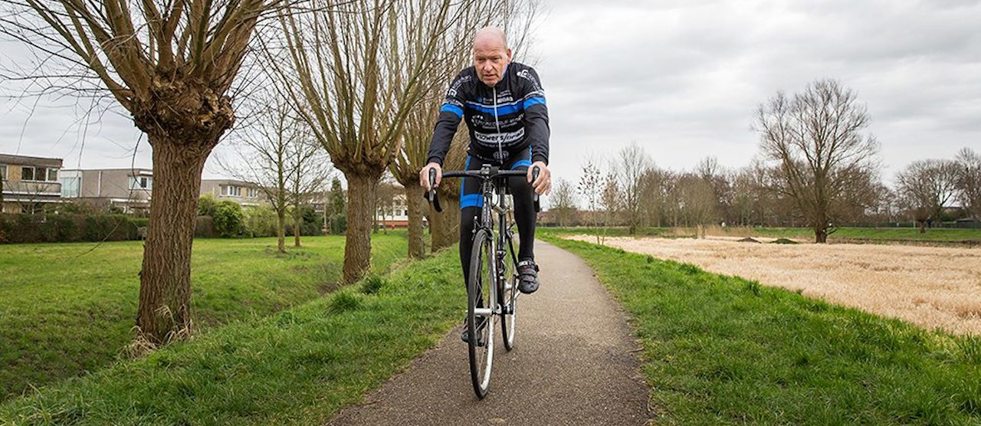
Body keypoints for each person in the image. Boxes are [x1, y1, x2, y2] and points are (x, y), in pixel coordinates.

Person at [420, 27, 551, 300]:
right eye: (480, 60)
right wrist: (434, 162)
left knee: (521, 179)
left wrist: (540, 160)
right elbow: (446, 123)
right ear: (474, 59)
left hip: (519, 154)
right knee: (468, 223)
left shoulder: (524, 78)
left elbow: (538, 119)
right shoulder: (464, 83)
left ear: (508, 55)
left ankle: (526, 259)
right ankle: (475, 306)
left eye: (495, 59)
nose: (487, 67)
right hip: (480, 157)